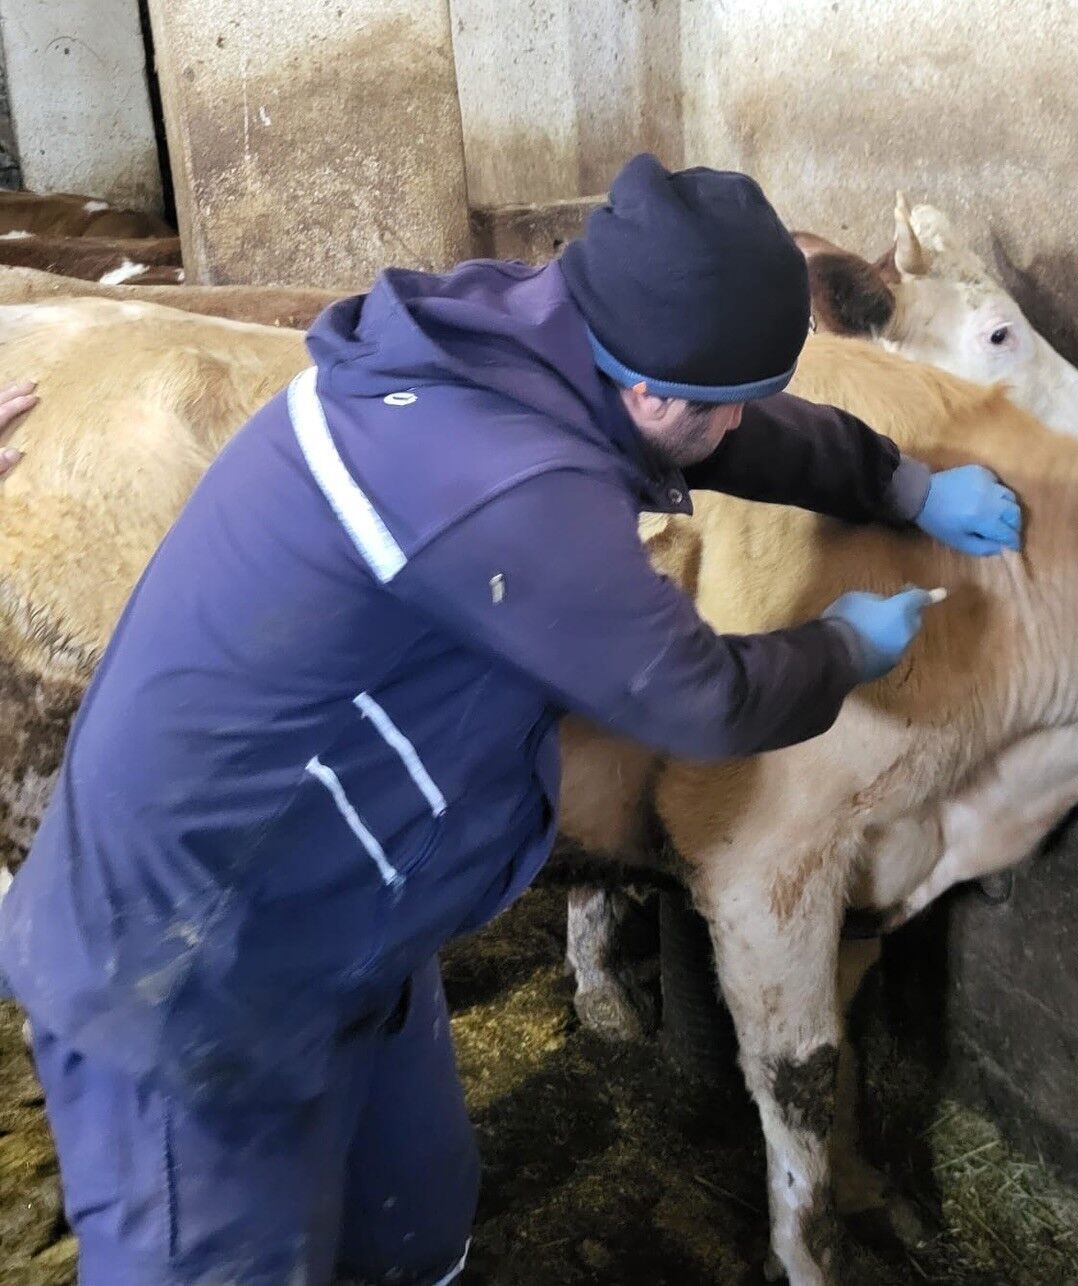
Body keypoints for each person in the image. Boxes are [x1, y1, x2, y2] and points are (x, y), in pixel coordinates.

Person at [0, 155, 1021, 1285]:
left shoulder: (545, 329)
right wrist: (844, 646)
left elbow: (729, 424)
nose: (741, 422)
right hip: (190, 966)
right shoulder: (502, 479)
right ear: (653, 393)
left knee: (417, 1225)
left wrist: (898, 484)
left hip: (352, 915)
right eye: (725, 402)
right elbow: (700, 695)